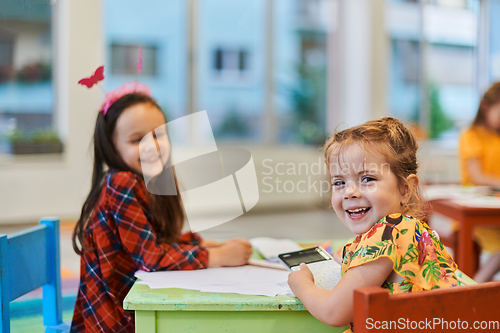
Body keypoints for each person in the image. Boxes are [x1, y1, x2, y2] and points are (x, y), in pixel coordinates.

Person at [70, 83, 252, 332]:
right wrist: (217, 256)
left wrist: (201, 244)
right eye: (136, 140)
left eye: (159, 134)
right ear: (113, 148)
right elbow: (151, 258)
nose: (152, 146)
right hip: (116, 320)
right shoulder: (120, 183)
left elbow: (154, 241)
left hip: (136, 306)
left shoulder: (151, 180)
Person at [288, 117, 464, 332]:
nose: (350, 192)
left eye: (368, 179)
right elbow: (364, 255)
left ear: (405, 189)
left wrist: (301, 284)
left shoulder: (389, 231)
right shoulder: (405, 227)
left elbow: (333, 312)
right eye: (339, 182)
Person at [458, 82, 500, 283]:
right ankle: (474, 288)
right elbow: (478, 176)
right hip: (475, 212)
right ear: (486, 107)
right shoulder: (471, 136)